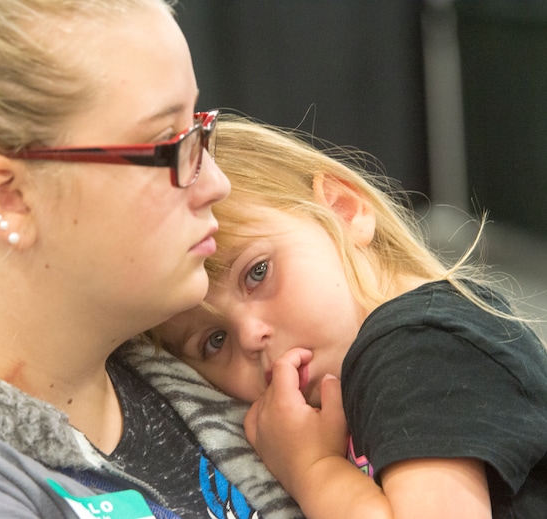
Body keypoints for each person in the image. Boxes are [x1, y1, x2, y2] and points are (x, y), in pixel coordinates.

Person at [0, 2, 302, 518]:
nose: (215, 183)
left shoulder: (197, 370)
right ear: (10, 199)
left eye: (197, 131)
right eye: (166, 144)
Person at [151, 116, 547, 518]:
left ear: (344, 210)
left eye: (257, 272)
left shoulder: (416, 343)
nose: (251, 337)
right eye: (215, 341)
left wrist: (312, 470)